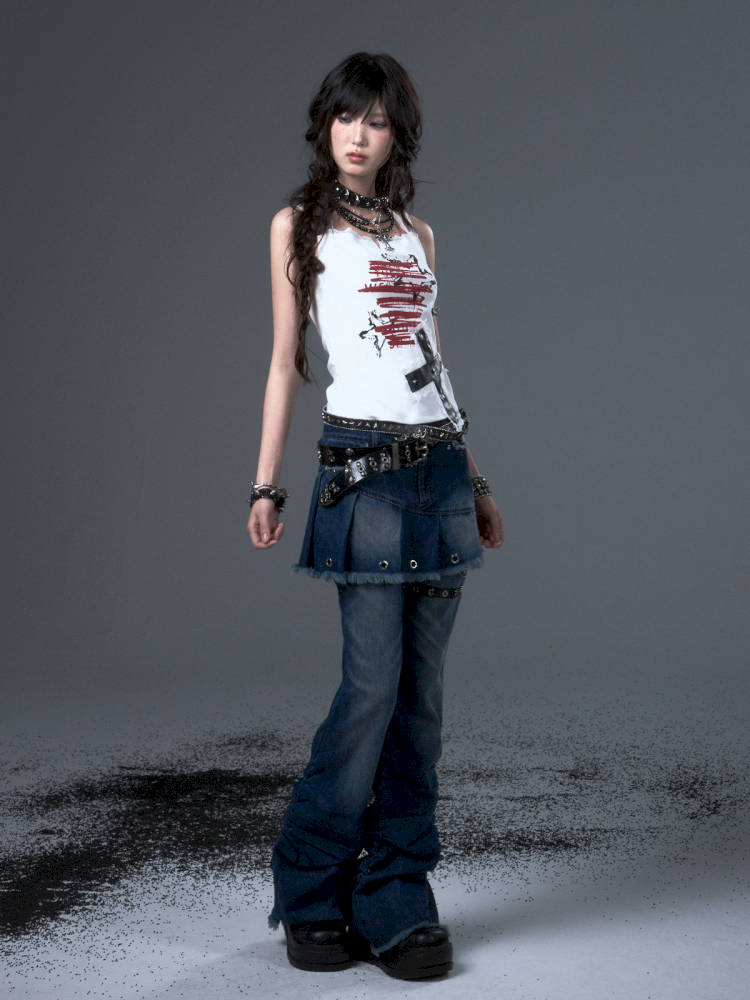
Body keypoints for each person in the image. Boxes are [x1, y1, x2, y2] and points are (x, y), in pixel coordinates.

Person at [247, 52, 503, 981]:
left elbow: (433, 361)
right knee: (369, 694)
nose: (359, 135)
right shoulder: (298, 225)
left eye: (378, 121)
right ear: (327, 125)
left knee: (421, 704)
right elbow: (287, 362)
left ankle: (395, 889)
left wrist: (476, 478)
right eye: (347, 117)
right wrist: (266, 485)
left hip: (438, 472)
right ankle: (311, 882)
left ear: (399, 135)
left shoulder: (418, 233)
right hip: (360, 471)